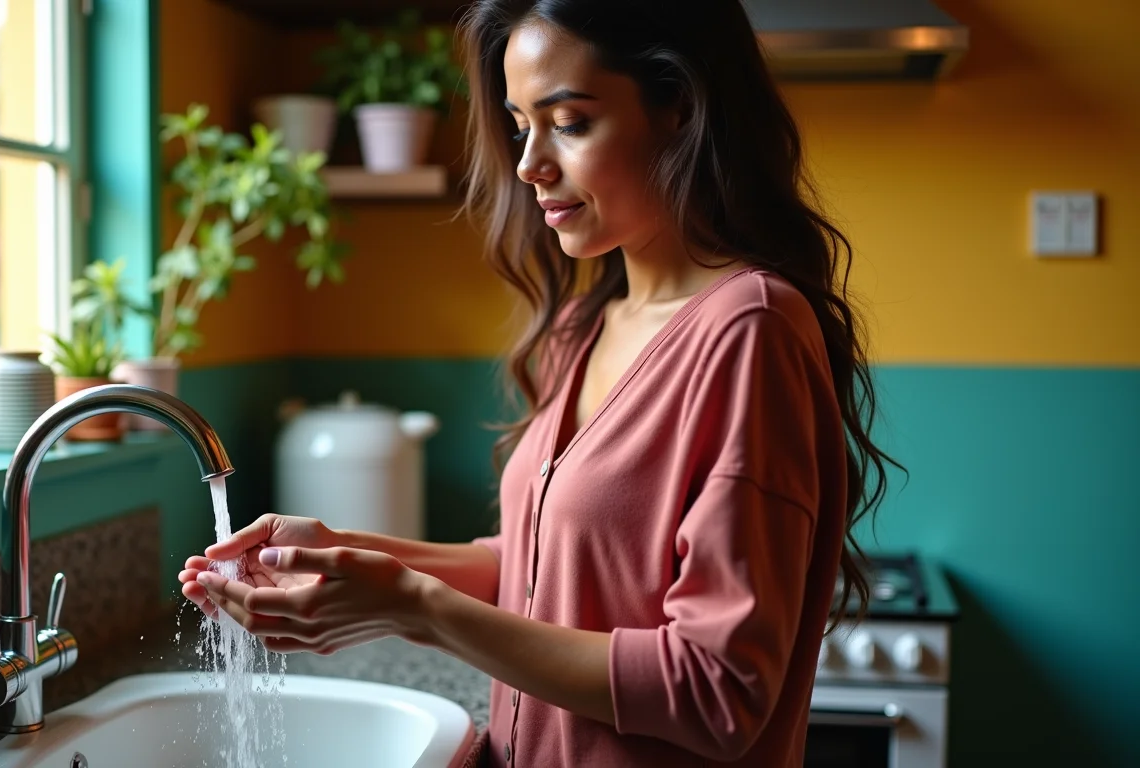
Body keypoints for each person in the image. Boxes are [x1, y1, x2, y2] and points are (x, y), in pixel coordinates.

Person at [178, 1, 901, 765]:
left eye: (570, 122)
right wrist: (345, 554)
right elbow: (538, 567)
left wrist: (415, 607)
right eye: (522, 125)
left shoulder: (749, 330)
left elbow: (718, 693)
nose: (529, 164)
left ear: (679, 110)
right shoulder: (584, 327)